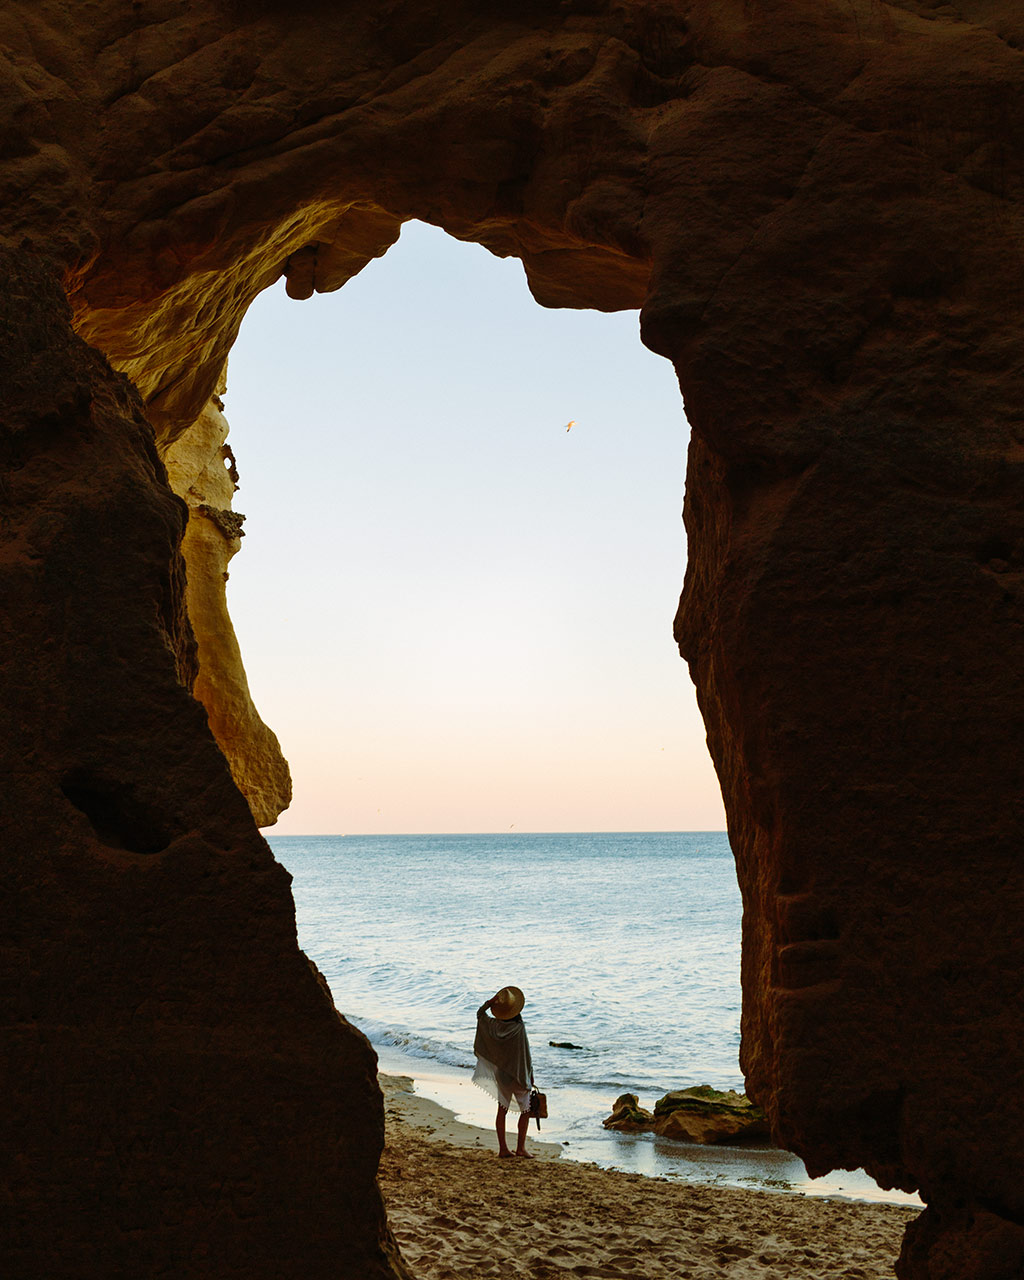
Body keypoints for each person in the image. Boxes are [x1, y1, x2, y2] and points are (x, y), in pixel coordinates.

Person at [472, 985, 535, 1158]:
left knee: (502, 1110)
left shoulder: (493, 1027)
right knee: (526, 1111)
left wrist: (490, 1002)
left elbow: (479, 1014)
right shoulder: (518, 1028)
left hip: (503, 1075)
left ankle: (503, 1149)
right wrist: (531, 1075)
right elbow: (525, 1055)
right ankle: (521, 1147)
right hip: (519, 1074)